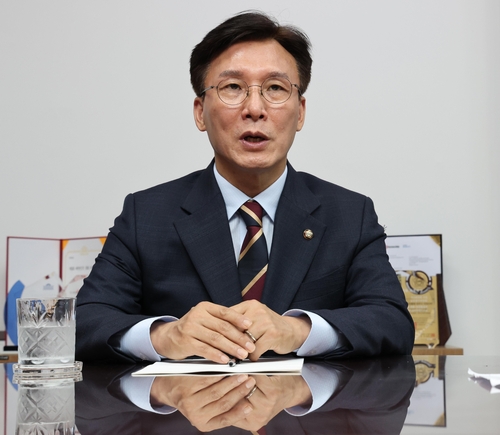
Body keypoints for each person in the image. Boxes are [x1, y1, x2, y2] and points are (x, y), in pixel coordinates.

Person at [76, 11, 415, 365]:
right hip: (185, 403)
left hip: (305, 403)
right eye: (233, 88)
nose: (255, 109)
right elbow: (85, 321)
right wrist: (165, 336)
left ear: (300, 112)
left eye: (275, 88)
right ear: (200, 112)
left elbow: (392, 321)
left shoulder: (349, 215)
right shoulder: (146, 215)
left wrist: (298, 330)